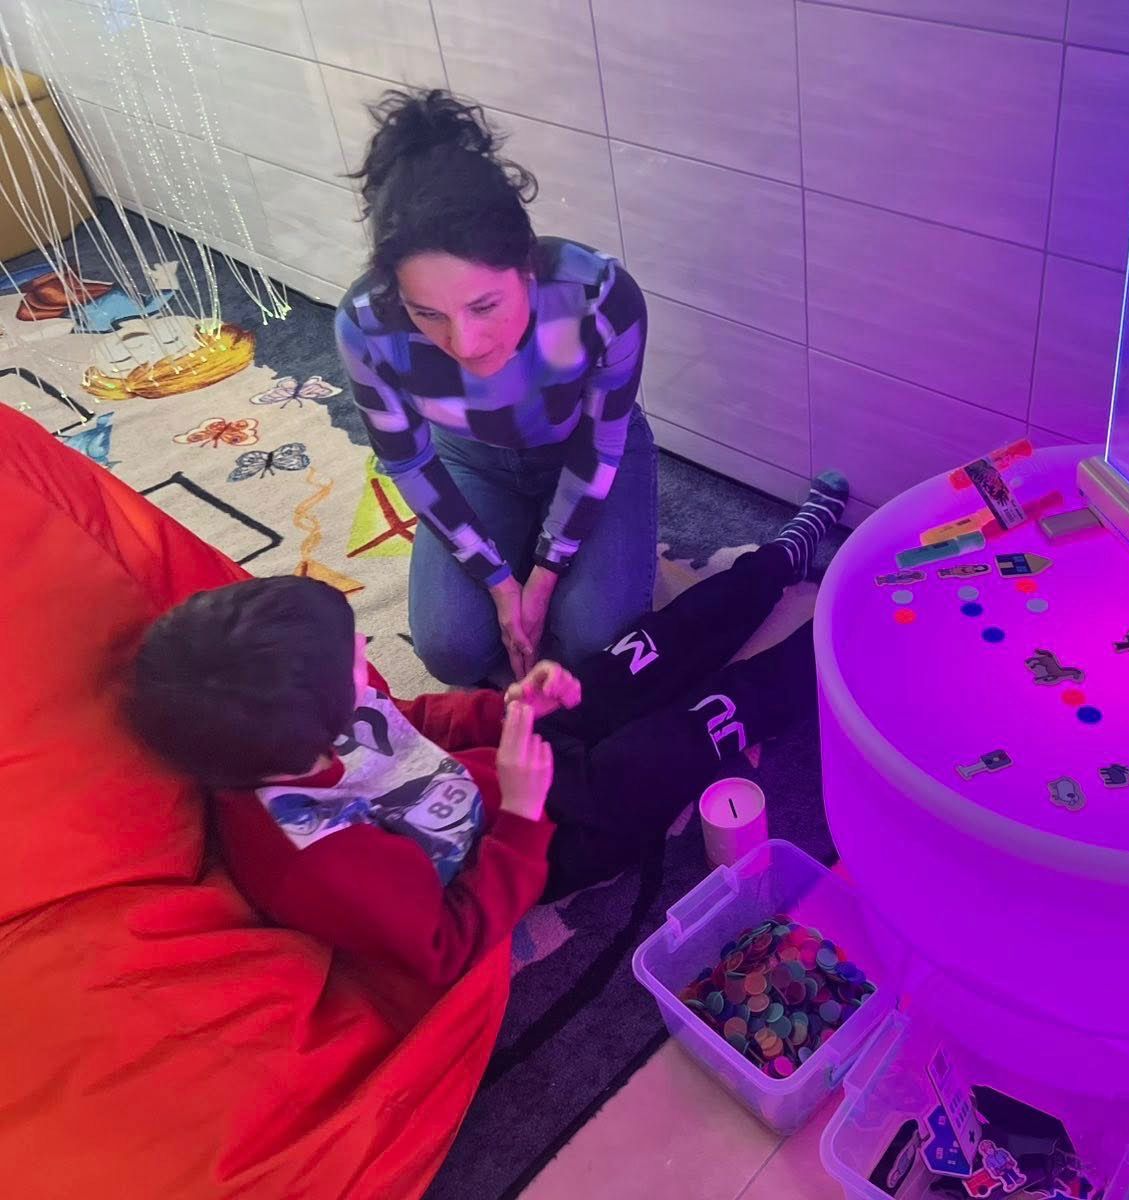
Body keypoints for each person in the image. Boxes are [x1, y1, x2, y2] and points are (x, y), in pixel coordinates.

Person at [124, 477, 848, 987]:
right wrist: (525, 815)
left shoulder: (293, 718)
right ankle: (842, 649)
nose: (368, 652)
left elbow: (409, 721)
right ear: (313, 737)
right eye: (352, 664)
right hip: (538, 841)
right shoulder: (316, 863)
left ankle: (775, 565)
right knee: (687, 732)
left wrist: (509, 709)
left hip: (503, 765)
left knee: (639, 655)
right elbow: (450, 943)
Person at [334, 88, 657, 684]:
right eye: (426, 313)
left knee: (593, 640)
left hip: (584, 450)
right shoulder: (365, 324)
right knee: (449, 648)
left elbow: (600, 445)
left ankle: (554, 550)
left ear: (527, 267)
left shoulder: (599, 296)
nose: (464, 343)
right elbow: (408, 462)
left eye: (484, 305)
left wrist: (545, 575)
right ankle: (523, 544)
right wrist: (502, 584)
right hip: (472, 461)